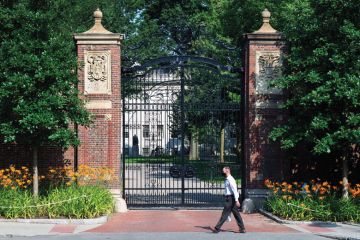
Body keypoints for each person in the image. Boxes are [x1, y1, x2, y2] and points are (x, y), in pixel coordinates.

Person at [210, 166, 246, 233]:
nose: (222, 172)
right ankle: (242, 228)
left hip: (230, 199)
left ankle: (217, 228)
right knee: (236, 214)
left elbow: (235, 190)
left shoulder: (230, 179)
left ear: (227, 170)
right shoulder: (227, 179)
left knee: (224, 214)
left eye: (223, 170)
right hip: (229, 198)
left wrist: (236, 200)